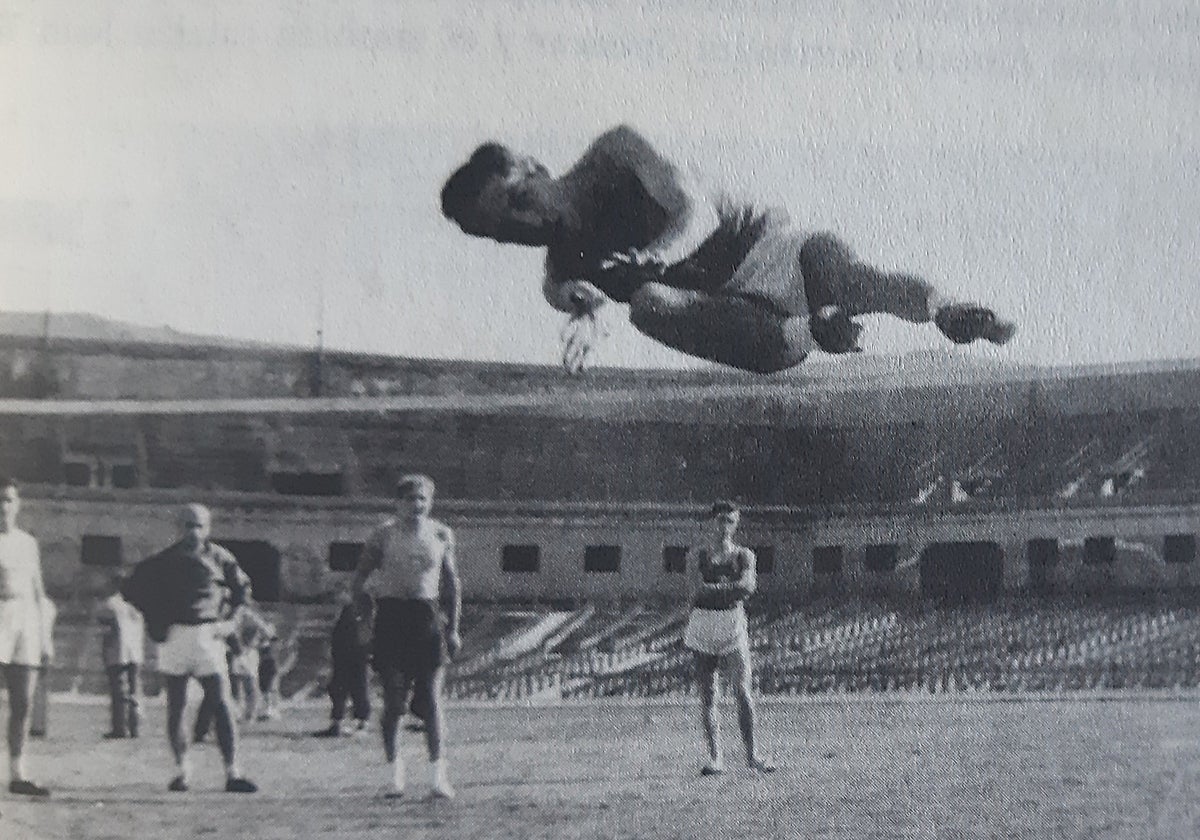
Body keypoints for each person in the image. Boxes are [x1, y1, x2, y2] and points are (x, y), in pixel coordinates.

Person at [441, 125, 1016, 374]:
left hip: (763, 246)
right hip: (732, 317)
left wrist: (658, 253)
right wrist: (584, 307)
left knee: (839, 274)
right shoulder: (561, 265)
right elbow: (565, 294)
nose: (525, 221)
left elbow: (695, 208)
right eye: (505, 230)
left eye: (516, 198)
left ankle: (947, 310)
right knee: (648, 308)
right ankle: (817, 332)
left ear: (533, 166)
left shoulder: (613, 152)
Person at [121, 503, 258, 793]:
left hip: (208, 634)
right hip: (175, 637)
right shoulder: (162, 561)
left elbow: (242, 591)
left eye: (199, 526)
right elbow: (131, 590)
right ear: (178, 528)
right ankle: (182, 771)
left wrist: (230, 622)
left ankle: (233, 772)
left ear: (208, 528)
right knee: (177, 706)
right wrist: (156, 620)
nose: (193, 532)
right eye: (187, 525)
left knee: (222, 703)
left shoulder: (220, 557)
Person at [353, 474, 461, 799]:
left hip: (426, 616)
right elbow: (358, 579)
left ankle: (437, 776)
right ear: (398, 503)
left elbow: (452, 584)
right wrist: (363, 620)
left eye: (423, 499)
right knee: (394, 702)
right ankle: (394, 775)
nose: (416, 505)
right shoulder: (383, 535)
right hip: (391, 616)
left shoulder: (441, 533)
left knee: (431, 700)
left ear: (431, 503)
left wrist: (454, 628)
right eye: (410, 499)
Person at [681, 501, 775, 776]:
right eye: (721, 520)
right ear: (710, 523)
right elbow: (695, 591)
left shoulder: (744, 555)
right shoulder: (697, 556)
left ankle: (752, 754)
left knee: (743, 691)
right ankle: (716, 757)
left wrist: (717, 589)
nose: (725, 527)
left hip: (732, 623)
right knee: (709, 695)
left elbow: (749, 586)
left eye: (731, 521)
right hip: (703, 623)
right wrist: (730, 589)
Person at [0, 477, 53, 797]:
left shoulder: (27, 542)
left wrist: (44, 636)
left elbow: (38, 590)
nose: (3, 507)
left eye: (8, 500)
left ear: (17, 505)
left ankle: (18, 773)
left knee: (23, 702)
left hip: (25, 620)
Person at [313, 589, 375, 738]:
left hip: (356, 655)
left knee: (358, 688)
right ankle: (339, 722)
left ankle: (360, 722)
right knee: (341, 688)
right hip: (345, 655)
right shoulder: (348, 613)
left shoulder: (362, 611)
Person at [97, 576, 145, 739]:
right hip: (135, 653)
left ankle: (120, 728)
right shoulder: (135, 606)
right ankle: (135, 727)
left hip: (117, 652)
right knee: (134, 691)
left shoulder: (109, 605)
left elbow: (106, 631)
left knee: (118, 693)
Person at [28, 592, 56, 739]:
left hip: (34, 649)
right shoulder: (50, 605)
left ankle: (35, 725)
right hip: (47, 648)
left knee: (31, 689)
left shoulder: (31, 605)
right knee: (42, 691)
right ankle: (40, 725)